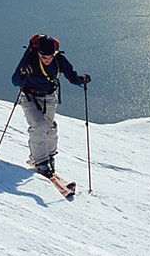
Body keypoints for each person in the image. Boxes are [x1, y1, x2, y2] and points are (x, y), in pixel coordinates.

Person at [11, 34, 91, 177]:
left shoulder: (59, 60)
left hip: (49, 96)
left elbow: (71, 75)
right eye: (43, 57)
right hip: (29, 96)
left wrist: (81, 80)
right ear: (38, 53)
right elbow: (15, 80)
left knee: (50, 127)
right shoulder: (30, 58)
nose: (46, 60)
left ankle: (49, 156)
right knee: (38, 126)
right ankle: (40, 161)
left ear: (55, 53)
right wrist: (23, 73)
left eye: (49, 56)